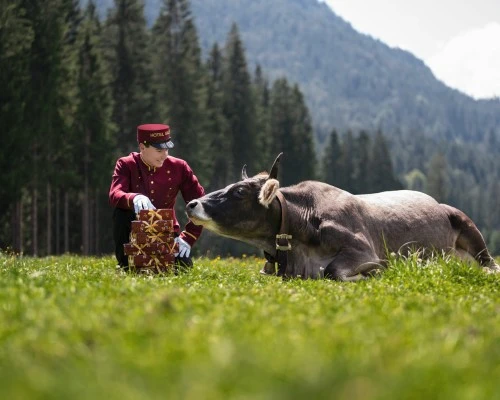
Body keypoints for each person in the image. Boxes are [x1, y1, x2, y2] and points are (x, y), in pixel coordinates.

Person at [109, 123, 205, 270]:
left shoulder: (179, 167)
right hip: (133, 231)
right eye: (159, 150)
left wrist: (188, 237)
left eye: (167, 149)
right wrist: (134, 197)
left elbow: (200, 203)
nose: (164, 155)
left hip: (166, 231)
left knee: (183, 268)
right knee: (121, 211)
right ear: (142, 147)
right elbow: (115, 194)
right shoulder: (126, 164)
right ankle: (124, 264)